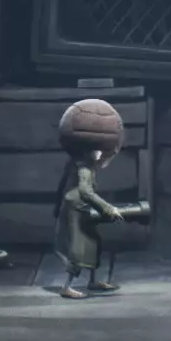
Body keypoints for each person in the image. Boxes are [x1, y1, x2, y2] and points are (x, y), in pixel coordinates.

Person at [52, 98, 128, 299]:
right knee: (78, 248)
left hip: (81, 208)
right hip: (76, 210)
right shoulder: (84, 168)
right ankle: (67, 286)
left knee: (93, 243)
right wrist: (108, 208)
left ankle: (92, 281)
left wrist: (56, 206)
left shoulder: (77, 162)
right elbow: (85, 192)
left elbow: (62, 185)